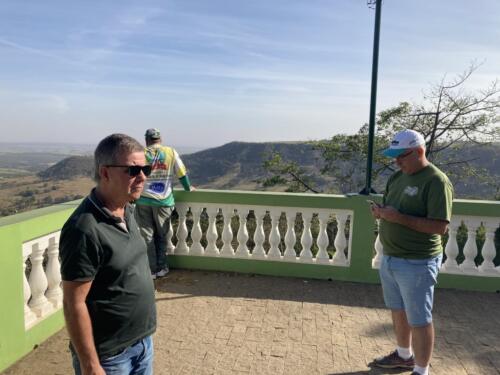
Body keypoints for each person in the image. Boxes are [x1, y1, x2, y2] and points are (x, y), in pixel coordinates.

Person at [59, 134, 156, 375]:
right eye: (133, 170)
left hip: (142, 344)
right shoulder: (84, 229)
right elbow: (73, 303)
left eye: (145, 169)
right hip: (109, 359)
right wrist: (90, 364)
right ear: (105, 173)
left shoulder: (126, 208)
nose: (142, 177)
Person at [370, 129, 453, 375]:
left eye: (401, 156)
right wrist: (381, 212)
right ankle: (404, 355)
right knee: (397, 310)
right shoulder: (397, 178)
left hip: (417, 262)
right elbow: (393, 210)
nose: (397, 162)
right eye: (394, 157)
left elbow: (440, 227)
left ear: (419, 151)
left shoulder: (436, 181)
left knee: (419, 318)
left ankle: (421, 370)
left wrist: (398, 218)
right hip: (391, 257)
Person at [135, 128, 194, 279]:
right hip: (163, 201)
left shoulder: (141, 153)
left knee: (147, 236)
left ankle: (152, 270)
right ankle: (162, 267)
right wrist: (188, 188)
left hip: (143, 200)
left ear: (147, 140)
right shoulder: (171, 152)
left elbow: (133, 175)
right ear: (160, 139)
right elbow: (181, 173)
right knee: (162, 235)